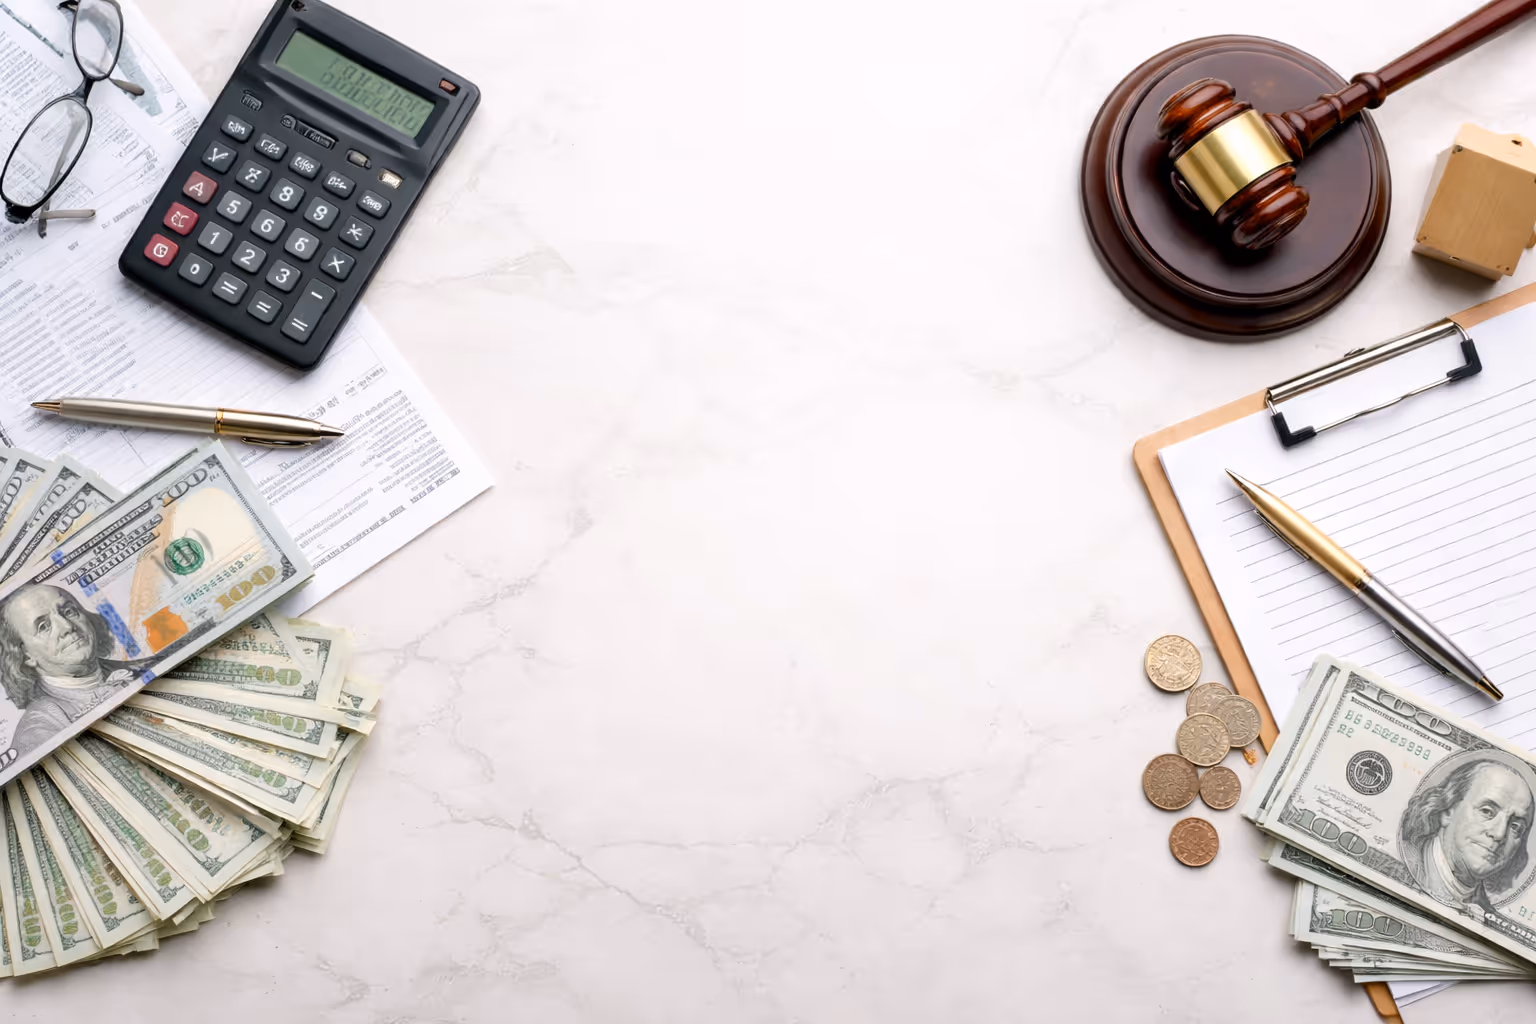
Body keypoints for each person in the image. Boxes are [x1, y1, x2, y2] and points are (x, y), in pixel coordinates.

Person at [0, 584, 151, 758]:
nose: (66, 627)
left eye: (69, 611)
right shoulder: (41, 726)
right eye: (43, 627)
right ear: (26, 655)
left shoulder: (145, 668)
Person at [1402, 758, 1535, 914]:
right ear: (1448, 810)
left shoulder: (1487, 914)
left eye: (1515, 827)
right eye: (1486, 811)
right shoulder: (1401, 862)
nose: (1499, 834)